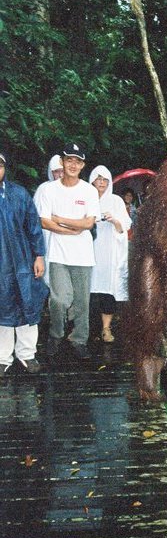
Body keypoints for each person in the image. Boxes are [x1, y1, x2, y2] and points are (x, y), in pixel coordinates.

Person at [36, 142, 101, 360]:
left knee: (82, 302)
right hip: (58, 254)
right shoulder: (49, 190)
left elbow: (89, 223)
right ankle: (56, 333)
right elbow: (44, 221)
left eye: (78, 161)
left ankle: (79, 339)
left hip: (83, 255)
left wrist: (60, 219)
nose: (73, 165)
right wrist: (71, 229)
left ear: (83, 165)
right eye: (69, 160)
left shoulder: (89, 191)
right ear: (62, 162)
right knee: (59, 299)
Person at [0, 150, 48, 377]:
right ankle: (2, 357)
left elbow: (33, 227)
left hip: (23, 262)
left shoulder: (19, 194)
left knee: (28, 304)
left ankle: (27, 354)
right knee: (2, 308)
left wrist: (39, 255)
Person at [89, 166, 131, 343]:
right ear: (92, 180)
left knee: (107, 289)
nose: (101, 183)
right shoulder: (85, 197)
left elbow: (124, 227)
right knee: (88, 291)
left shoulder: (116, 201)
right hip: (87, 252)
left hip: (109, 253)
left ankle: (106, 328)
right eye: (98, 179)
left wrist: (114, 220)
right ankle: (86, 330)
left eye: (105, 180)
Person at [33, 155, 65, 286]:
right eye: (56, 171)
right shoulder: (43, 189)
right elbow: (36, 216)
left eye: (62, 171)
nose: (60, 174)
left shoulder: (72, 189)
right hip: (46, 235)